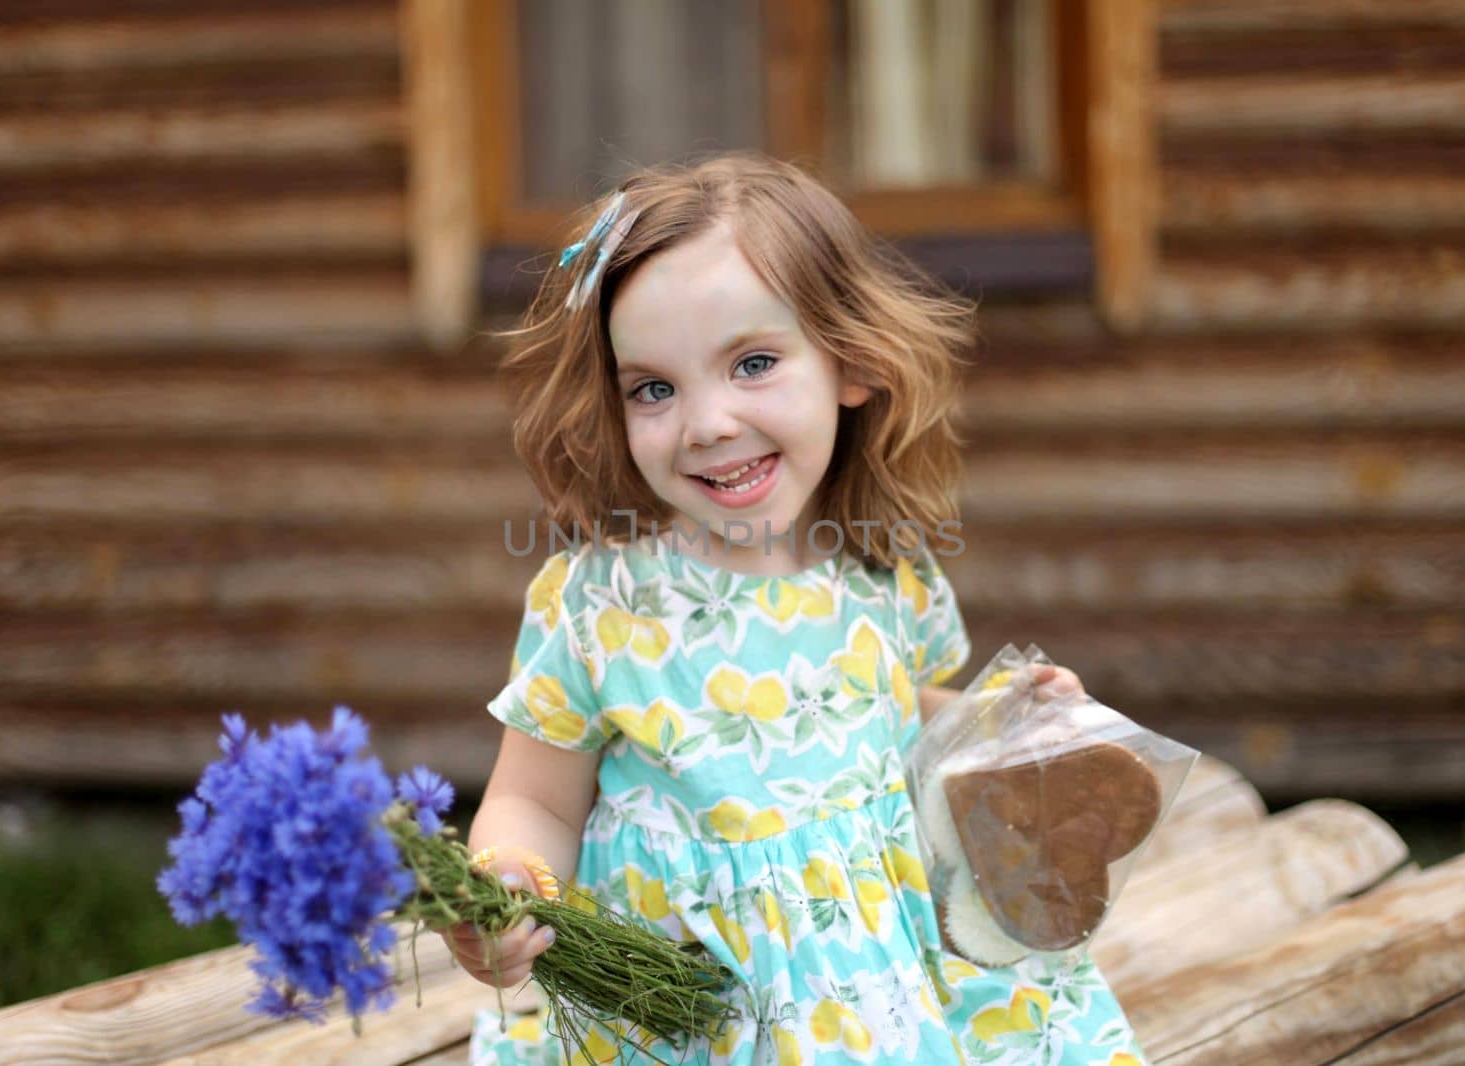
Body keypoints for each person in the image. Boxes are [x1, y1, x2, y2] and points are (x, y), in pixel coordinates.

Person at [449, 153, 1147, 1065]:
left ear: (850, 361)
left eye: (753, 363)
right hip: (689, 1010)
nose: (705, 422)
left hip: (872, 996)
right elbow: (535, 800)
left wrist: (997, 722)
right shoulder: (601, 604)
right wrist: (507, 890)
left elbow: (897, 716)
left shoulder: (882, 570)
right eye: (654, 388)